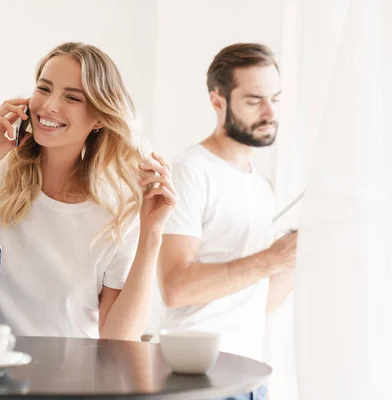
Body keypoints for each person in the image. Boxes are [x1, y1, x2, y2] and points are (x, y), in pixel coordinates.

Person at [0, 42, 177, 341]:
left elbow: (119, 341)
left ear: (100, 118)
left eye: (72, 97)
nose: (50, 105)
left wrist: (152, 232)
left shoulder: (117, 213)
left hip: (64, 378)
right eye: (44, 88)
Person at [157, 43, 297, 400]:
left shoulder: (261, 186)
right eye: (254, 101)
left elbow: (257, 301)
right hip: (200, 379)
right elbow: (175, 288)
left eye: (275, 99)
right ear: (217, 101)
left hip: (250, 378)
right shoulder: (191, 172)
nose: (269, 112)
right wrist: (271, 259)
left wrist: (298, 255)